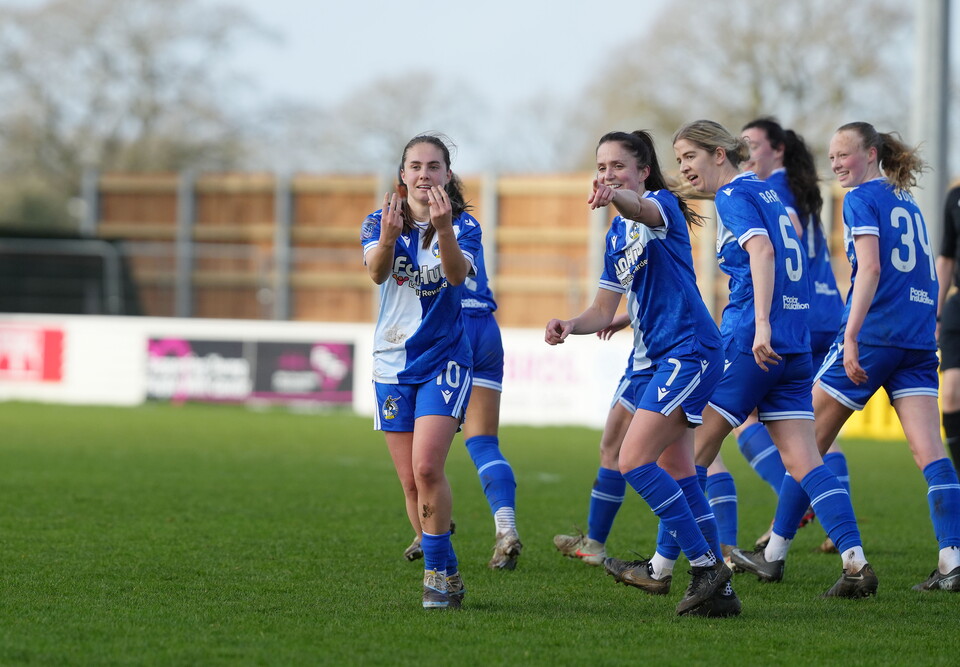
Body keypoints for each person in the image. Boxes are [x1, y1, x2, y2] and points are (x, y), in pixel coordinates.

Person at [660, 120, 875, 598]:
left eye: (690, 157)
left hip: (751, 342)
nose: (684, 168)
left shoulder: (736, 196)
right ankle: (855, 561)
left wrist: (760, 324)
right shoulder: (770, 193)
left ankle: (663, 567)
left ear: (720, 155)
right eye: (678, 160)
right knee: (805, 460)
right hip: (795, 346)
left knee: (691, 453)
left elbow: (760, 252)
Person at [546, 130, 738, 617]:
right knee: (679, 472)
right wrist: (572, 324)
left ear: (642, 171)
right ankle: (721, 595)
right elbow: (601, 308)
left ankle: (701, 568)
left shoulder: (660, 206)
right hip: (660, 359)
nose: (608, 175)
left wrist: (620, 197)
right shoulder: (615, 236)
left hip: (689, 350)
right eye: (602, 168)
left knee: (632, 460)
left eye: (618, 167)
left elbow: (640, 210)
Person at [808, 122, 960, 591]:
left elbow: (869, 267)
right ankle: (952, 560)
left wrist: (851, 336)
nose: (836, 164)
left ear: (870, 153)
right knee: (929, 451)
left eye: (844, 155)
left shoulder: (860, 199)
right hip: (915, 338)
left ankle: (811, 556)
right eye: (831, 157)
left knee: (800, 441)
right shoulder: (906, 201)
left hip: (876, 333)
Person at [709, 119, 847, 554]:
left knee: (740, 422)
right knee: (817, 433)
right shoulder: (792, 188)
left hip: (785, 318)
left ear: (778, 151)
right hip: (821, 313)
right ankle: (843, 542)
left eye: (751, 145)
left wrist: (764, 319)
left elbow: (776, 245)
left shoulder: (769, 191)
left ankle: (790, 506)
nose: (744, 152)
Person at [361, 133, 480, 609]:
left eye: (434, 166)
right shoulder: (378, 220)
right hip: (390, 364)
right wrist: (389, 238)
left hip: (445, 360)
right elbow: (375, 271)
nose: (424, 174)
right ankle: (448, 569)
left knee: (427, 466)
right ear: (402, 175)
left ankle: (433, 577)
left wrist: (445, 228)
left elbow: (454, 275)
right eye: (415, 166)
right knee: (410, 482)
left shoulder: (463, 224)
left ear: (447, 175)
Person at [401, 203, 523, 571]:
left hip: (450, 328)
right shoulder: (468, 222)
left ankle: (428, 530)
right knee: (483, 441)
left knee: (418, 452)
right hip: (485, 326)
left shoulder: (416, 226)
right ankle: (505, 526)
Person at [553, 318, 653, 566]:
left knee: (616, 452)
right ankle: (712, 553)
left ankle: (596, 545)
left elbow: (605, 306)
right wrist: (627, 317)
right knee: (691, 460)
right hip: (676, 357)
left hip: (651, 359)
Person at [936, 184, 960, 467]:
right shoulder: (954, 197)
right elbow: (946, 258)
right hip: (957, 305)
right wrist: (937, 313)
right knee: (952, 394)